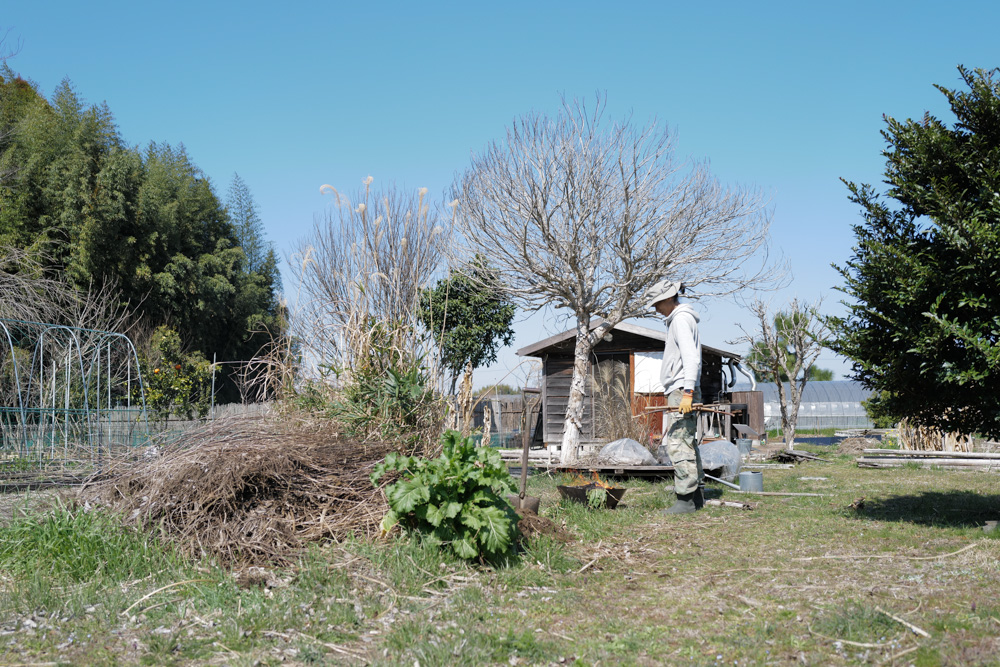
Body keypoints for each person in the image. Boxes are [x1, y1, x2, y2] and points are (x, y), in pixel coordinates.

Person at [646, 279, 704, 514]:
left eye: (657, 303)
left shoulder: (680, 319)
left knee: (678, 442)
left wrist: (687, 392)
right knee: (688, 441)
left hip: (681, 389)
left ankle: (685, 500)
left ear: (669, 298)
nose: (656, 308)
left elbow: (691, 358)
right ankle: (696, 495)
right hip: (683, 387)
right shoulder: (681, 318)